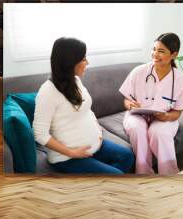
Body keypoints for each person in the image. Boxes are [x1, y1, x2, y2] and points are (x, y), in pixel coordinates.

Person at [33, 37, 134, 174]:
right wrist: (72, 152)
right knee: (117, 175)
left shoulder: (75, 80)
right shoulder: (48, 91)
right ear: (70, 62)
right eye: (83, 58)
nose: (87, 62)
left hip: (95, 144)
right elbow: (39, 134)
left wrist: (98, 130)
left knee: (127, 156)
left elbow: (86, 109)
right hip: (68, 157)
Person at [119, 33, 183, 175]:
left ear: (174, 54)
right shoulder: (139, 71)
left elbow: (177, 112)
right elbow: (126, 99)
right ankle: (144, 173)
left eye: (161, 51)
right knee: (137, 129)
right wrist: (130, 105)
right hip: (137, 116)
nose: (155, 54)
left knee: (160, 133)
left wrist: (166, 117)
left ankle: (170, 175)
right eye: (154, 49)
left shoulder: (181, 80)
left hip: (164, 118)